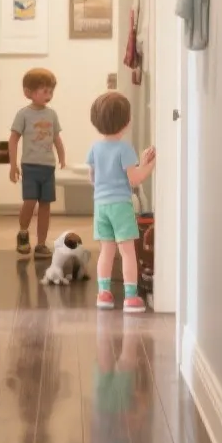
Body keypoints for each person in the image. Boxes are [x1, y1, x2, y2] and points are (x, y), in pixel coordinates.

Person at [86, 92, 156, 312]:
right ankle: (130, 297)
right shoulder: (124, 148)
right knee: (127, 251)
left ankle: (104, 294)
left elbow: (92, 177)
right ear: (127, 122)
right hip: (120, 205)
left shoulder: (95, 148)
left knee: (106, 250)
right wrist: (150, 165)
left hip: (100, 205)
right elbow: (134, 178)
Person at [8, 68, 66, 257]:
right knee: (30, 201)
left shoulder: (52, 115)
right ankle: (23, 233)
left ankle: (41, 243)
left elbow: (57, 138)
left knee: (45, 205)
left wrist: (62, 157)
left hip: (48, 167)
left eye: (50, 91)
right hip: (30, 166)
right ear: (29, 92)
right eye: (44, 91)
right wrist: (13, 165)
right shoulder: (23, 114)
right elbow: (13, 139)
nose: (48, 95)